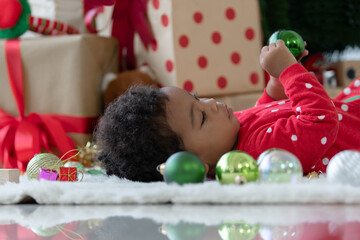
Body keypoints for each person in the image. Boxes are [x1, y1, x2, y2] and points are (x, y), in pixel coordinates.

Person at [95, 40, 360, 182]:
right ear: (196, 164)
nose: (211, 104)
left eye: (197, 98)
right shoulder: (257, 154)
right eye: (200, 117)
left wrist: (276, 81)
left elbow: (265, 113)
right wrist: (291, 73)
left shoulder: (230, 132)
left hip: (350, 108)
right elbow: (322, 121)